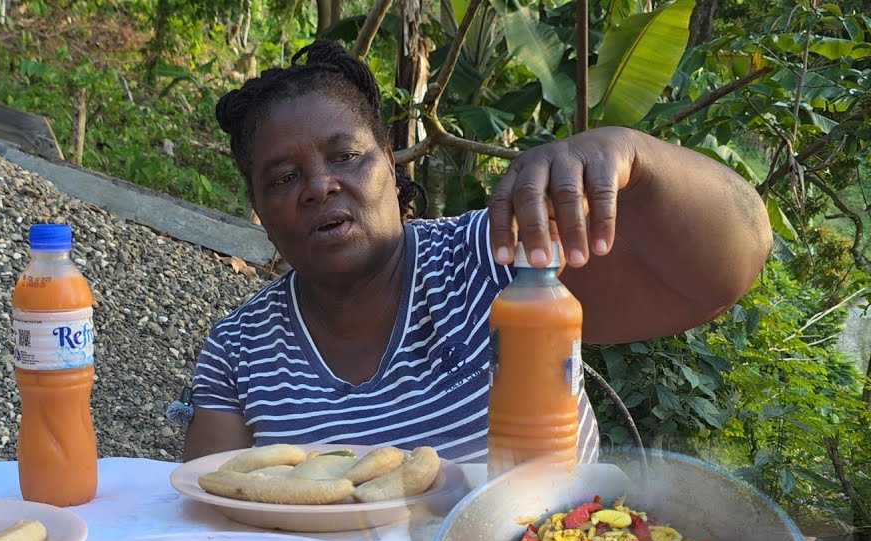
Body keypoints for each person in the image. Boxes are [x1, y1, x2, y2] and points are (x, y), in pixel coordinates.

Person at [182, 41, 772, 462]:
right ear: (257, 205)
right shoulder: (239, 350)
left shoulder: (498, 255)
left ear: (390, 159)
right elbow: (213, 521)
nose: (318, 186)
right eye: (284, 178)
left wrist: (631, 154)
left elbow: (730, 264)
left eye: (345, 156)